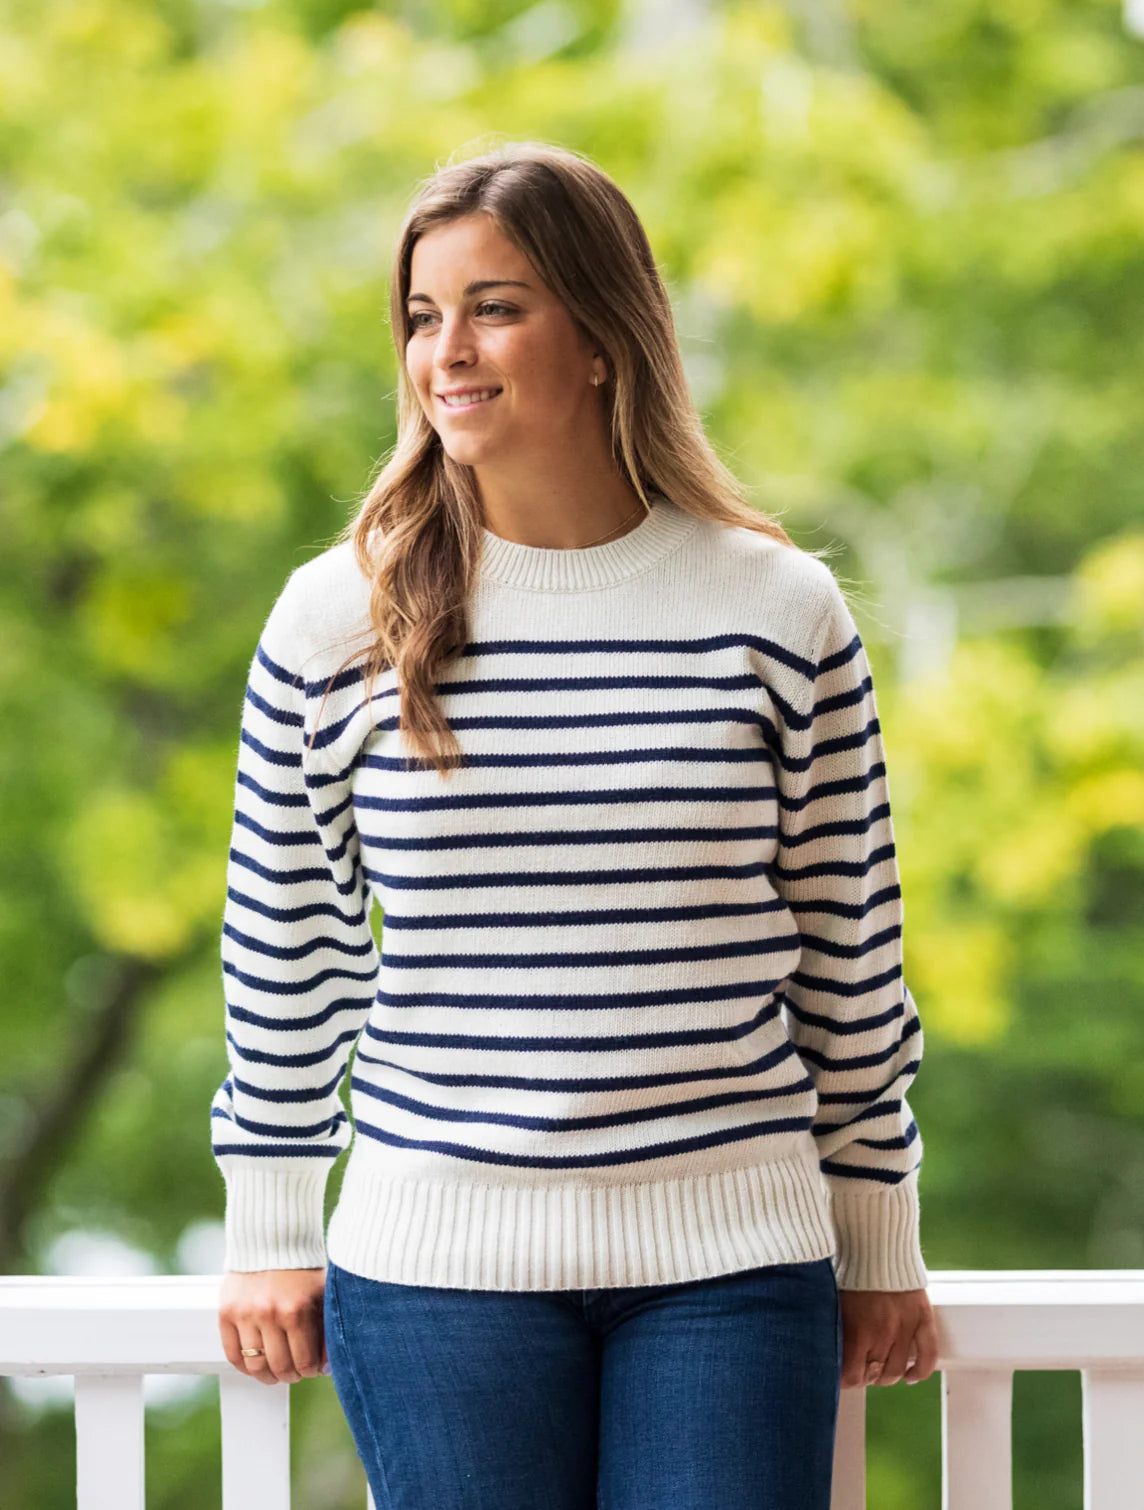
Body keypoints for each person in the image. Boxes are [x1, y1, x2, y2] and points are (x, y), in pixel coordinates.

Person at [215, 140, 939, 1509]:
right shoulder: (334, 619)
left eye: (496, 306)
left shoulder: (778, 609)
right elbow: (289, 951)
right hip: (436, 1274)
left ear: (606, 337)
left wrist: (879, 1233)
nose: (448, 351)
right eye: (424, 316)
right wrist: (269, 1223)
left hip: (733, 1260)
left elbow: (850, 956)